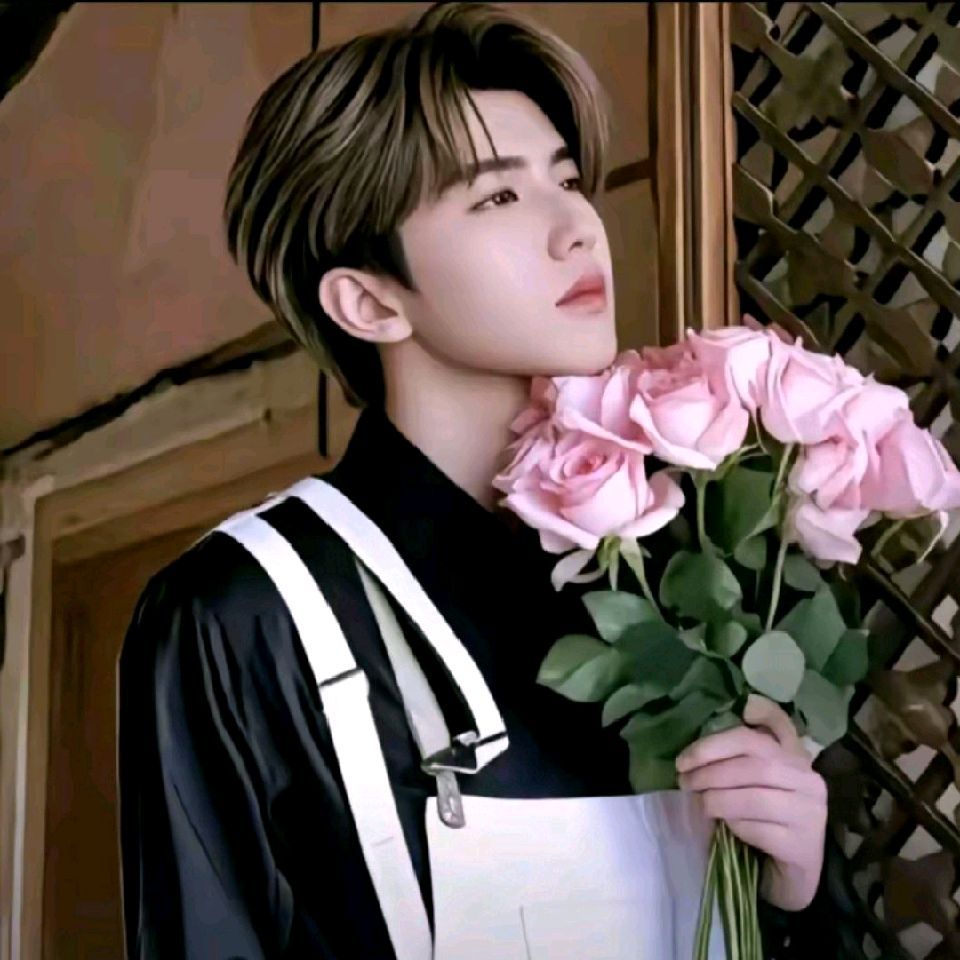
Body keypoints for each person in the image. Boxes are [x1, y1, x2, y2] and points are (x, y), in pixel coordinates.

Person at [117, 3, 843, 957]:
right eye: (499, 198)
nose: (578, 228)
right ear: (368, 300)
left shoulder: (688, 568)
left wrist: (796, 893)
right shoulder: (242, 612)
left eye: (568, 180)